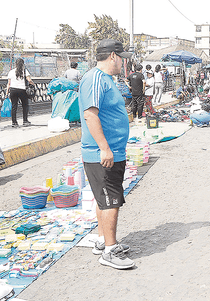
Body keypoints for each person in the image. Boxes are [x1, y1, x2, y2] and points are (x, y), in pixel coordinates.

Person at [79, 39, 134, 270]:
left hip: (111, 151)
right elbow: (91, 115)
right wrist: (104, 147)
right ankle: (110, 251)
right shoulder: (94, 78)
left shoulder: (106, 79)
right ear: (113, 56)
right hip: (102, 154)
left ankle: (103, 241)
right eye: (122, 58)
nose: (124, 63)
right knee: (111, 199)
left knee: (104, 199)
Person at [6, 58, 35, 128]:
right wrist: (33, 84)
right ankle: (25, 120)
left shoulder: (11, 72)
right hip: (22, 90)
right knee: (25, 106)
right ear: (23, 64)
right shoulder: (24, 71)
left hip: (13, 90)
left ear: (15, 64)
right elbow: (29, 80)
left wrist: (7, 92)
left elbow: (8, 84)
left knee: (14, 106)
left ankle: (14, 122)